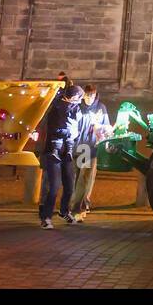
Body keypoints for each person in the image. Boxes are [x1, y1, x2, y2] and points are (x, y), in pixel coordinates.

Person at [38, 83, 84, 228]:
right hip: (53, 151)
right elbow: (56, 128)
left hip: (67, 152)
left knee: (69, 185)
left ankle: (64, 211)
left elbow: (77, 128)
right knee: (54, 186)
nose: (79, 100)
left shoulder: (75, 108)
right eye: (77, 97)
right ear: (71, 96)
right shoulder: (57, 108)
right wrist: (70, 132)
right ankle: (46, 218)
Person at [70, 86, 112, 221]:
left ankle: (78, 207)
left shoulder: (101, 108)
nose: (89, 99)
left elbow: (106, 127)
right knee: (75, 178)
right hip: (76, 145)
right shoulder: (77, 107)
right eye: (87, 96)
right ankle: (76, 205)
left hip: (88, 147)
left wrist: (101, 130)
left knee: (84, 178)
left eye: (92, 96)